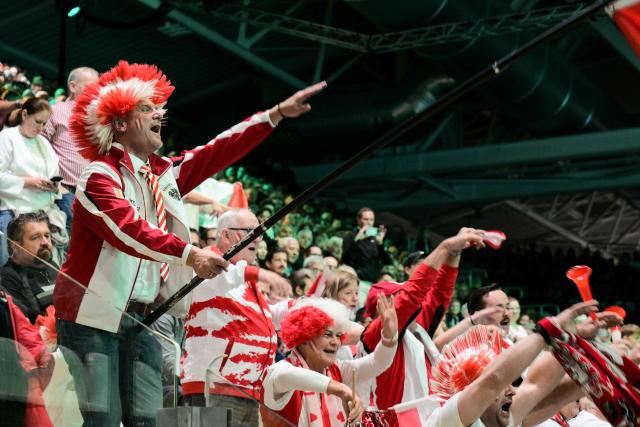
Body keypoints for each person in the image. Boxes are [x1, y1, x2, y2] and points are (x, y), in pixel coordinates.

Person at [53, 60, 326, 426]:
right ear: (119, 123)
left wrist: (274, 115)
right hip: (92, 318)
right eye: (147, 108)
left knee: (147, 420)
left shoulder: (163, 174)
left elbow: (216, 151)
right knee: (104, 421)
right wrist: (189, 253)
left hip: (140, 318)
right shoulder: (97, 176)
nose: (159, 114)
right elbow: (127, 229)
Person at [427, 301, 619, 427]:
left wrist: (576, 342)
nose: (512, 390)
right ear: (470, 391)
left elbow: (540, 388)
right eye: (503, 388)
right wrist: (548, 331)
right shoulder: (447, 421)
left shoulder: (505, 421)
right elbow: (493, 380)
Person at [181, 209, 293, 426]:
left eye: (260, 234)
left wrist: (297, 307)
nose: (258, 239)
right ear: (225, 235)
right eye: (250, 232)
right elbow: (218, 280)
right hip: (213, 386)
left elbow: (265, 319)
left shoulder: (244, 281)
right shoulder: (203, 266)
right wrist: (258, 273)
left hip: (247, 390)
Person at [359, 228, 484, 413]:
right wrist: (445, 246)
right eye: (399, 298)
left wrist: (454, 252)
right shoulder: (375, 334)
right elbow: (412, 296)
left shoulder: (414, 328)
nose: (414, 304)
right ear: (381, 307)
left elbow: (440, 292)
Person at [261, 296, 399, 427]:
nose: (336, 342)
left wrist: (389, 336)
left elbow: (377, 363)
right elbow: (287, 376)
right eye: (327, 334)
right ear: (303, 338)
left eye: (339, 335)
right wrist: (341, 389)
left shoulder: (337, 369)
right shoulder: (279, 371)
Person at [0, 97, 66, 268]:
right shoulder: (7, 137)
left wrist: (53, 186)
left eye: (44, 124)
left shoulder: (44, 142)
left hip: (43, 211)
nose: (41, 128)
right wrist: (26, 182)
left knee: (48, 268)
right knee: (9, 266)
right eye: (37, 122)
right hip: (14, 208)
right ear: (24, 114)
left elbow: (54, 173)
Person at [41, 67, 99, 236]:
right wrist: (58, 185)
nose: (97, 92)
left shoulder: (99, 118)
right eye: (91, 87)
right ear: (73, 87)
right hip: (65, 190)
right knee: (66, 240)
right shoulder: (56, 111)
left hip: (90, 192)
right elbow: (39, 146)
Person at [0, 212, 57, 322]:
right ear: (15, 246)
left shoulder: (53, 267)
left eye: (47, 235)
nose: (45, 242)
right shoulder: (7, 277)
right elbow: (27, 322)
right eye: (35, 237)